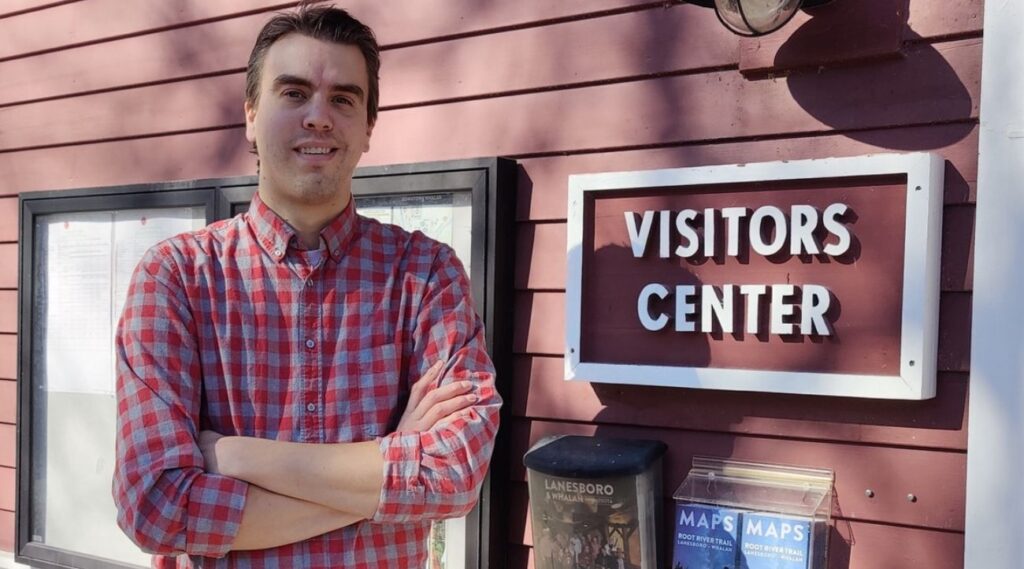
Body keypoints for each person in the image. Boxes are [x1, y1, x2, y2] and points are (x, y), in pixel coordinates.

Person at [111, 4, 501, 567]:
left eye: (344, 98)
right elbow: (155, 506)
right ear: (250, 115)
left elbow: (456, 475)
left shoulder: (426, 274)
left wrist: (235, 455)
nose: (319, 116)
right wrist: (392, 461)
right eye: (293, 93)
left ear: (368, 128)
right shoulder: (177, 277)